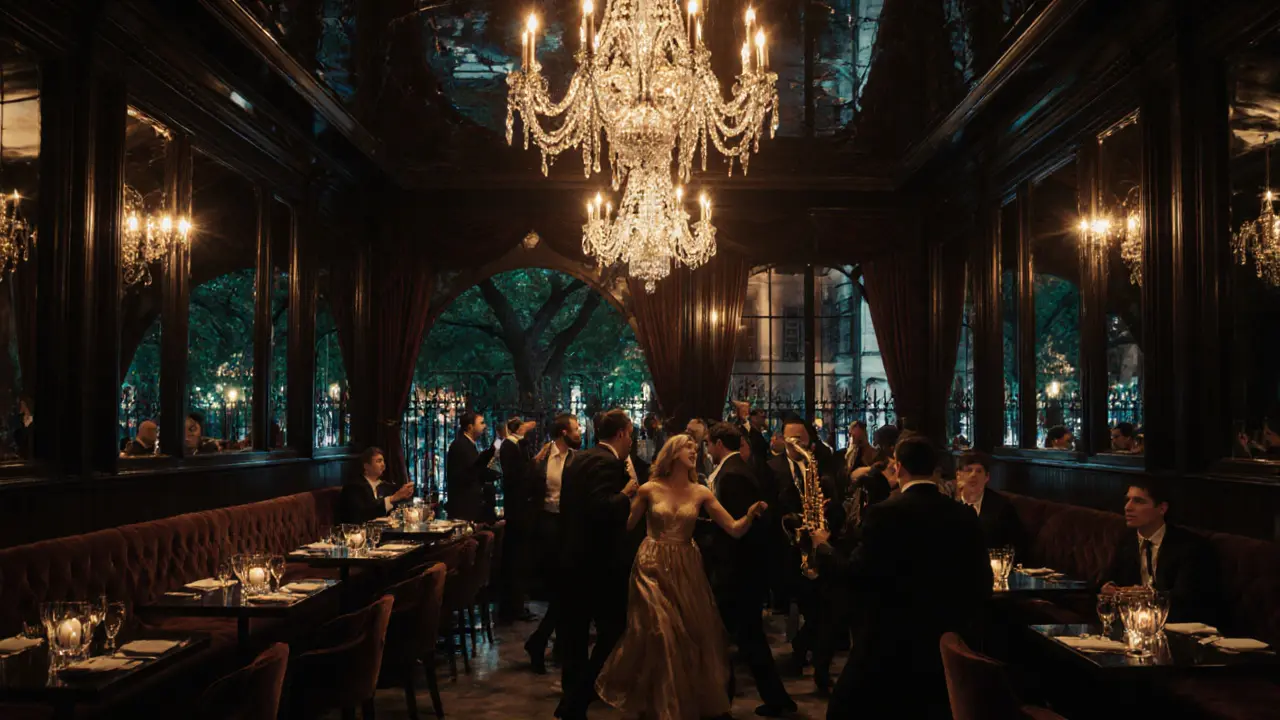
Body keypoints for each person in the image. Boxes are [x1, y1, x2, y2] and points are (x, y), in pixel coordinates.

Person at [813, 435, 992, 720]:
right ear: (935, 469)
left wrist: (822, 546)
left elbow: (858, 574)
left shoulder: (885, 513)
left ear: (898, 467)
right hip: (947, 641)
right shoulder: (964, 515)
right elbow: (983, 581)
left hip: (888, 640)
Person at [595, 432, 770, 720]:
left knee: (685, 637)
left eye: (695, 448)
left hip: (687, 566)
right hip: (650, 563)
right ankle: (662, 707)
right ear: (673, 453)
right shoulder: (648, 489)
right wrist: (618, 499)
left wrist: (750, 515)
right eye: (688, 447)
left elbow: (734, 529)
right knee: (659, 631)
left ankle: (671, 703)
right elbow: (625, 527)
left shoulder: (701, 492)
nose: (694, 451)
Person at [702, 423, 796, 716]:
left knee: (737, 637)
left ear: (718, 444)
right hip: (741, 569)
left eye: (708, 443)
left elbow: (740, 526)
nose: (707, 449)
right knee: (744, 638)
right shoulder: (736, 469)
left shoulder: (732, 475)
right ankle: (771, 699)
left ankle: (728, 702)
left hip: (739, 570)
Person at [556, 409, 640, 720]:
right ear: (620, 434)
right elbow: (600, 509)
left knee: (575, 635)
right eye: (630, 434)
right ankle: (577, 699)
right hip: (598, 563)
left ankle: (572, 698)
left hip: (571, 558)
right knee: (614, 629)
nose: (632, 441)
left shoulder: (577, 459)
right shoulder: (608, 463)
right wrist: (626, 493)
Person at [1101, 479, 1218, 623]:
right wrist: (1109, 587)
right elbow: (1109, 578)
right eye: (1128, 500)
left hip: (1176, 624)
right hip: (1133, 622)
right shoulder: (1127, 540)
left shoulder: (1190, 546)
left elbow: (1187, 600)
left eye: (1138, 501)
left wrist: (1147, 595)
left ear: (1162, 508)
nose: (1127, 507)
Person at [524, 413, 582, 674]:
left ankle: (543, 643)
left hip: (568, 526)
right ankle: (551, 645)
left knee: (566, 590)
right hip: (547, 526)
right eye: (576, 428)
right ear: (563, 433)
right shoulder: (543, 460)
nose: (580, 432)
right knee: (562, 589)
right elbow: (530, 491)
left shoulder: (578, 459)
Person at [500, 416, 539, 624]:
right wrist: (535, 460)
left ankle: (518, 604)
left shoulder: (515, 444)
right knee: (516, 558)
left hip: (521, 509)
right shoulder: (509, 445)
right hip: (517, 510)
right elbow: (519, 474)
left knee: (521, 559)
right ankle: (513, 606)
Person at [955, 451, 1028, 560]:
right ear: (958, 475)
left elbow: (1018, 545)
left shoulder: (1002, 506)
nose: (973, 475)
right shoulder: (949, 504)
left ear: (987, 477)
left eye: (979, 471)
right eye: (968, 470)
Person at [339, 446, 415, 524]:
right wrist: (392, 499)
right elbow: (363, 513)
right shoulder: (353, 487)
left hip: (387, 532)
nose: (383, 465)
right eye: (378, 461)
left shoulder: (387, 486)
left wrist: (406, 495)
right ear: (366, 466)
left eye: (383, 461)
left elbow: (400, 509)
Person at [445, 411, 497, 522]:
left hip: (471, 505)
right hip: (464, 507)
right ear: (470, 427)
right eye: (481, 423)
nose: (485, 426)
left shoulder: (469, 444)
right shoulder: (461, 445)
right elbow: (470, 471)